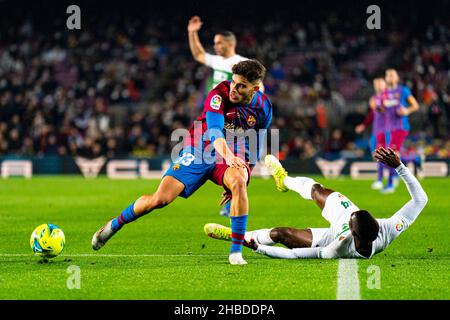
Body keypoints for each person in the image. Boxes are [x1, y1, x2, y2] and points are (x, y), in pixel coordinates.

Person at [92, 60, 272, 265]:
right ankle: (114, 224)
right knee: (160, 199)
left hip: (230, 153)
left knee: (239, 181)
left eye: (241, 86)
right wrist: (230, 157)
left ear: (255, 88)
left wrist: (245, 171)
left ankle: (236, 252)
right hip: (200, 148)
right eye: (233, 82)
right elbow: (214, 132)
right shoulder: (218, 95)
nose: (234, 89)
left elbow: (257, 142)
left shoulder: (264, 107)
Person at [204, 151, 427, 259]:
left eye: (353, 218)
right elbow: (420, 200)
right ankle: (285, 180)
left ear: (353, 231)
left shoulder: (339, 247)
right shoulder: (387, 229)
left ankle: (239, 236)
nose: (352, 214)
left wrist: (258, 248)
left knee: (282, 234)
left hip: (332, 235)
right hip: (343, 219)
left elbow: (295, 255)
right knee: (316, 191)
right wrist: (400, 167)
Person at [187, 16, 264, 217]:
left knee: (236, 159)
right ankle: (229, 192)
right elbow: (198, 54)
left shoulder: (240, 64)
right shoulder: (218, 61)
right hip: (215, 114)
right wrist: (192, 32)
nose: (215, 46)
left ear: (230, 43)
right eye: (214, 43)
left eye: (218, 42)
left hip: (234, 119)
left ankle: (233, 198)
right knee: (218, 155)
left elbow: (258, 90)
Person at [381, 69, 419, 193]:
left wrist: (406, 111)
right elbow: (381, 109)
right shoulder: (384, 93)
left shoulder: (403, 91)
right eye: (388, 75)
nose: (390, 77)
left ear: (397, 78)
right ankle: (413, 160)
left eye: (392, 75)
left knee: (391, 154)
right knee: (391, 154)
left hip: (400, 127)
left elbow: (415, 105)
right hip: (388, 128)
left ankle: (391, 184)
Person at [355, 77, 388, 190]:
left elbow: (387, 112)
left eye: (380, 83)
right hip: (376, 131)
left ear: (385, 85)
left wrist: (377, 107)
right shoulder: (374, 98)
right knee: (376, 155)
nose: (378, 86)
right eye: (376, 84)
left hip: (386, 131)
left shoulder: (388, 97)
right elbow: (372, 115)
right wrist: (363, 125)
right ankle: (389, 176)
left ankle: (380, 180)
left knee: (383, 155)